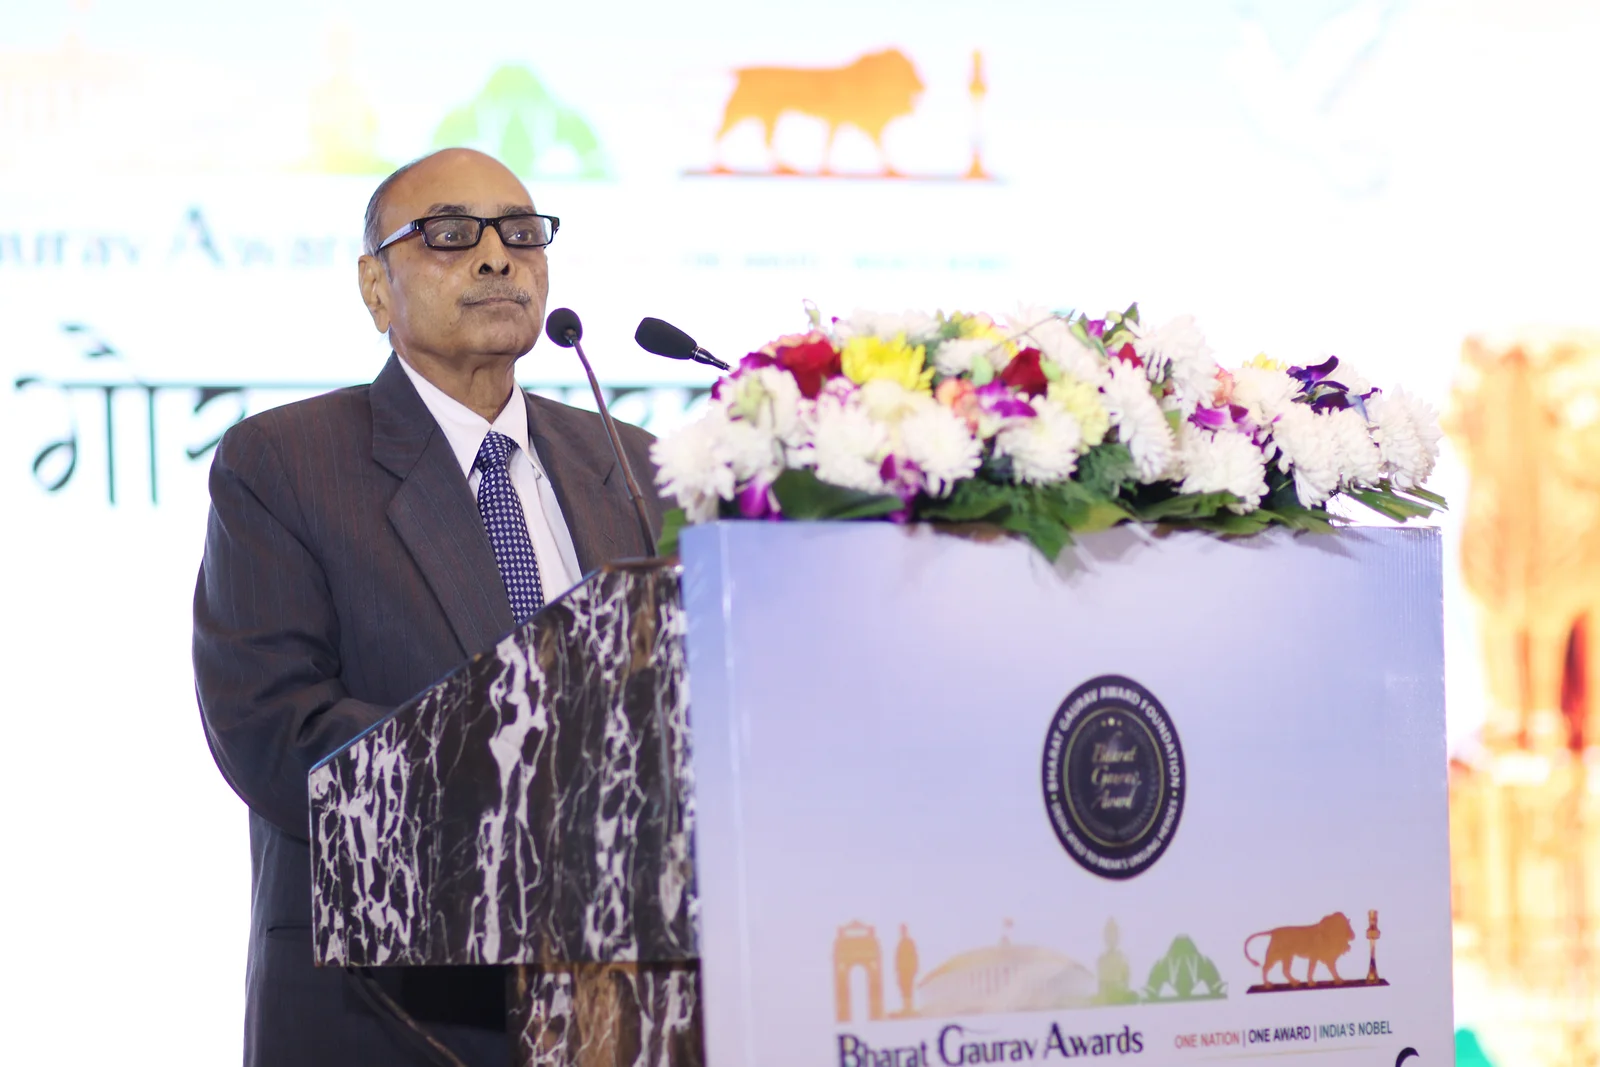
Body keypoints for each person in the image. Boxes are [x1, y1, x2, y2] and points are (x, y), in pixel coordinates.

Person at [193, 148, 664, 1067]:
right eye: (451, 235)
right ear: (376, 288)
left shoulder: (630, 460)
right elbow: (274, 729)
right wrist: (543, 783)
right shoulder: (284, 461)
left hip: (624, 999)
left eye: (520, 233)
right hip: (396, 1007)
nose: (496, 256)